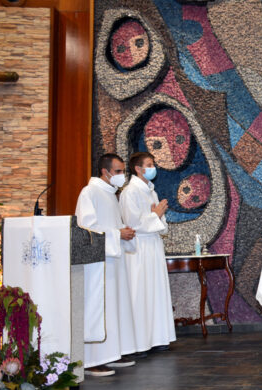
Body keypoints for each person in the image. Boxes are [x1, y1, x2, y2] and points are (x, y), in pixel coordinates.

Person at [75, 153, 138, 376]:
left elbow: (113, 225)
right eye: (119, 171)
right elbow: (86, 228)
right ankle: (92, 360)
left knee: (113, 308)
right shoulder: (90, 192)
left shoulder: (110, 194)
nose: (122, 176)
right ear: (105, 171)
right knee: (98, 309)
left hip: (112, 260)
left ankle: (111, 354)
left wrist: (124, 234)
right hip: (97, 264)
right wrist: (116, 234)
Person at [119, 152, 177, 354]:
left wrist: (158, 217)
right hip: (139, 249)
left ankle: (157, 338)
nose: (154, 168)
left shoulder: (150, 191)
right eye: (150, 164)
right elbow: (132, 224)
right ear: (138, 168)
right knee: (140, 294)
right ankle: (139, 343)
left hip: (153, 247)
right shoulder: (130, 192)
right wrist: (156, 215)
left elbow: (159, 224)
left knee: (155, 293)